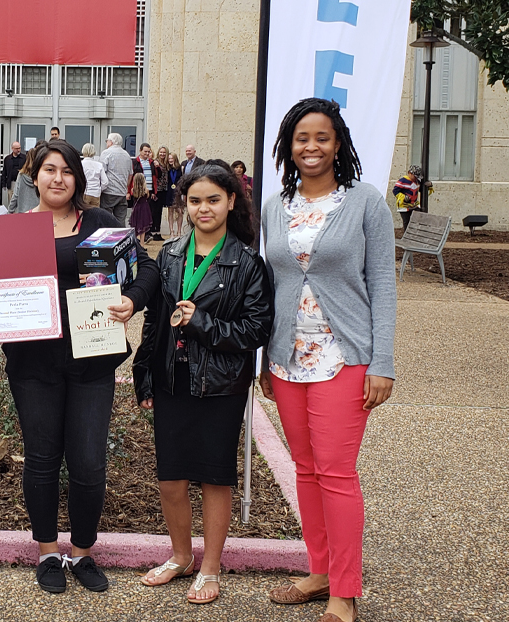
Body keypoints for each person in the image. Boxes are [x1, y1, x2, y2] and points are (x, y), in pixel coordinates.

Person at [0, 140, 160, 595]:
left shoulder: (101, 223)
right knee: (43, 460)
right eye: (49, 170)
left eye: (66, 171)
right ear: (34, 175)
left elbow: (145, 269)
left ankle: (84, 551)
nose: (58, 178)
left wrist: (132, 300)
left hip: (93, 360)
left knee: (89, 463)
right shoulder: (13, 229)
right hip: (34, 364)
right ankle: (48, 551)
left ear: (78, 177)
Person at [259, 98, 396, 622]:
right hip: (286, 359)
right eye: (301, 138)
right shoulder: (277, 205)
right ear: (288, 147)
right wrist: (262, 360)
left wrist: (381, 361)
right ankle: (319, 571)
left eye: (321, 137)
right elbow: (270, 285)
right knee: (306, 469)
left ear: (338, 144)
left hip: (345, 356)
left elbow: (383, 283)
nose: (311, 147)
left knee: (337, 473)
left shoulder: (365, 202)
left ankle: (345, 589)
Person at [133, 163, 273, 605]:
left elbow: (255, 331)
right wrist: (144, 373)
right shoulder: (170, 254)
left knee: (215, 479)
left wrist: (203, 324)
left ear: (232, 201)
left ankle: (210, 565)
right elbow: (155, 320)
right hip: (172, 379)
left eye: (213, 199)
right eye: (195, 200)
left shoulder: (248, 263)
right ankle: (181, 557)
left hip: (221, 386)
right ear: (184, 205)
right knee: (171, 478)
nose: (204, 208)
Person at [131, 143, 164, 241]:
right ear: (140, 151)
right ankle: (138, 234)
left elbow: (158, 176)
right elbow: (131, 177)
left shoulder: (152, 162)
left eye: (148, 151)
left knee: (148, 213)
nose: (147, 153)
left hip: (149, 191)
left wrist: (158, 167)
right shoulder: (135, 162)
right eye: (145, 151)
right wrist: (129, 191)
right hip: (138, 192)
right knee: (138, 213)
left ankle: (146, 234)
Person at [100, 133, 132, 225]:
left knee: (105, 219)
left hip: (108, 192)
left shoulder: (106, 153)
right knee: (120, 220)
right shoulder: (127, 155)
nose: (107, 143)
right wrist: (125, 187)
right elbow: (130, 174)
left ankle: (107, 239)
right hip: (122, 192)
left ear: (111, 142)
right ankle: (121, 239)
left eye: (107, 141)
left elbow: (102, 172)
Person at [392, 165, 430, 230]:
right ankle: (406, 236)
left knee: (418, 219)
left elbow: (421, 189)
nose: (416, 178)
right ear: (409, 173)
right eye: (415, 176)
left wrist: (429, 186)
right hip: (404, 207)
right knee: (407, 222)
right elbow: (395, 191)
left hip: (414, 205)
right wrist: (403, 197)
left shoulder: (417, 181)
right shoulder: (402, 180)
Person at [7, 145, 39, 214]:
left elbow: (15, 195)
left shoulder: (21, 174)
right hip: (38, 211)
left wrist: (10, 211)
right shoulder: (40, 176)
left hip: (23, 211)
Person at [80, 143, 108, 207]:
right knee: (95, 215)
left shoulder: (80, 164)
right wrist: (99, 190)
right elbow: (105, 182)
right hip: (95, 194)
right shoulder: (99, 165)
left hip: (84, 193)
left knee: (83, 214)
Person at [165, 152, 185, 237]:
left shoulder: (180, 168)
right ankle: (172, 231)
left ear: (175, 159)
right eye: (169, 159)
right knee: (170, 211)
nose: (170, 160)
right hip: (169, 192)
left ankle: (179, 231)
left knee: (180, 211)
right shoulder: (167, 168)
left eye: (171, 158)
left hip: (178, 192)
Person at [129, 172, 152, 242]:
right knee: (143, 227)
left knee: (136, 226)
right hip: (144, 208)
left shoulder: (133, 190)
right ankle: (142, 243)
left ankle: (135, 242)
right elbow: (148, 197)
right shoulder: (146, 190)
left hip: (136, 209)